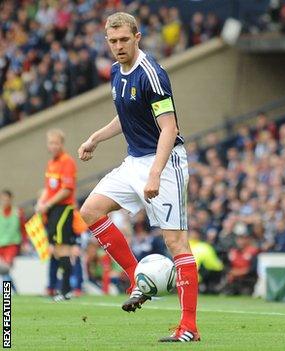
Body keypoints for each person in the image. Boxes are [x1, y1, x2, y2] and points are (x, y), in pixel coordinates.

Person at [77, 12, 199, 342]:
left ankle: (189, 325)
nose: (118, 46)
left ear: (137, 37)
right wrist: (95, 138)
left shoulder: (152, 75)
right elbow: (125, 115)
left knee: (176, 243)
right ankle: (136, 278)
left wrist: (156, 175)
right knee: (89, 210)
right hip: (134, 161)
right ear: (107, 41)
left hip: (165, 161)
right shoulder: (117, 73)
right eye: (112, 41)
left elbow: (169, 129)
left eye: (124, 40)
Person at [36, 129, 77, 301]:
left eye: (56, 143)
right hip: (52, 210)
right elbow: (48, 188)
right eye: (50, 143)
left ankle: (65, 289)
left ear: (62, 143)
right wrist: (41, 202)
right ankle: (64, 289)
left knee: (62, 248)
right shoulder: (50, 163)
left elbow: (66, 189)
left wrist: (48, 204)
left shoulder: (67, 162)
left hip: (63, 208)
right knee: (56, 249)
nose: (53, 146)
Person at [0, 190, 26, 283]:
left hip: (12, 245)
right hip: (0, 244)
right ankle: (14, 292)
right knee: (3, 270)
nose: (5, 201)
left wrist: (24, 243)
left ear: (11, 199)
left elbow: (23, 228)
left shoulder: (17, 212)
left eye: (7, 199)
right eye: (3, 199)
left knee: (5, 268)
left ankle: (7, 296)